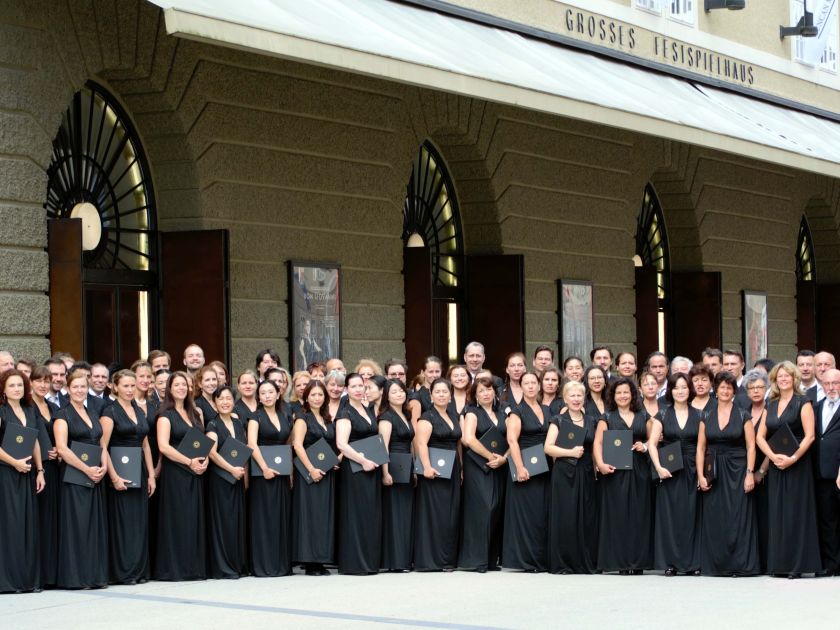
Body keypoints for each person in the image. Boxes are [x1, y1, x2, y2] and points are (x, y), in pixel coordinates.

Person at [756, 361, 821, 578]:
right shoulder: (770, 404)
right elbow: (759, 437)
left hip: (798, 465)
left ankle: (797, 566)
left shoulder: (803, 402)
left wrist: (792, 458)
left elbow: (810, 435)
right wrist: (774, 457)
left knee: (796, 513)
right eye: (780, 377)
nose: (784, 379)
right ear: (775, 380)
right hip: (776, 464)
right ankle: (780, 565)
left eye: (788, 376)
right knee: (778, 513)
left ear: (794, 379)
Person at [696, 371, 759, 577]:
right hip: (714, 469)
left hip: (738, 468)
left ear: (734, 391)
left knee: (738, 516)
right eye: (721, 387)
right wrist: (700, 475)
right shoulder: (706, 415)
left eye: (729, 387)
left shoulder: (743, 415)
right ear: (716, 389)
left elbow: (751, 446)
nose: (725, 390)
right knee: (716, 516)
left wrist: (750, 473)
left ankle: (740, 565)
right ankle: (718, 565)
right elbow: (700, 448)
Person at [100, 369, 156, 585]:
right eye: (125, 385)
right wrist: (113, 476)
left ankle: (139, 571)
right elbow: (102, 445)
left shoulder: (139, 410)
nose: (130, 389)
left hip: (139, 471)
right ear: (114, 387)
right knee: (122, 523)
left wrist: (151, 475)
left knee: (138, 522)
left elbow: (146, 445)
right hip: (119, 471)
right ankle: (123, 572)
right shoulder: (109, 411)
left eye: (133, 385)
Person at [54, 369, 108, 589]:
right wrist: (87, 469)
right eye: (75, 387)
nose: (79, 390)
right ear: (67, 389)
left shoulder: (92, 413)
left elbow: (101, 443)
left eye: (83, 387)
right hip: (75, 478)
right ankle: (77, 577)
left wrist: (103, 466)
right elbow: (62, 449)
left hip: (95, 476)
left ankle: (93, 575)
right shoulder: (62, 415)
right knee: (77, 526)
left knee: (93, 526)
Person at [593, 377, 652, 574]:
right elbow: (598, 443)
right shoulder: (607, 417)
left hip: (639, 469)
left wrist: (644, 446)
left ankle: (638, 562)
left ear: (633, 394)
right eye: (618, 392)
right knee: (617, 515)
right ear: (613, 395)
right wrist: (600, 464)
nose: (622, 396)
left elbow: (654, 440)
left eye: (626, 392)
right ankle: (619, 562)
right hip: (614, 471)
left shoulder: (644, 415)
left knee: (638, 515)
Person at [154, 371, 208, 581]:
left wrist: (203, 461)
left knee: (193, 519)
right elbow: (163, 446)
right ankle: (176, 568)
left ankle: (193, 567)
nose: (181, 388)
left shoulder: (195, 413)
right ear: (169, 388)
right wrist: (189, 462)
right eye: (177, 385)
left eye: (184, 385)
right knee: (177, 519)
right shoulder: (164, 415)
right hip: (176, 473)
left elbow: (201, 442)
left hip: (196, 472)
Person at [648, 373, 701, 576]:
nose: (680, 391)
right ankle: (671, 563)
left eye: (684, 387)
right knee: (670, 516)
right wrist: (659, 467)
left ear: (690, 390)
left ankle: (692, 563)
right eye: (676, 388)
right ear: (670, 390)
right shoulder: (662, 415)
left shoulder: (700, 414)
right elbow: (652, 444)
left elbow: (702, 447)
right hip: (669, 469)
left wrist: (701, 474)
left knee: (691, 514)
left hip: (692, 468)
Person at [544, 380, 598, 574]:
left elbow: (595, 447)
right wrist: (570, 452)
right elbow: (548, 448)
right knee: (566, 516)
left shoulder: (591, 420)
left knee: (585, 516)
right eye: (572, 396)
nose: (576, 399)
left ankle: (584, 562)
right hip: (564, 473)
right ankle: (564, 562)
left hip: (585, 472)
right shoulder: (558, 420)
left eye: (579, 396)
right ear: (565, 399)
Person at [0, 370, 45, 593]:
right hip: (6, 474)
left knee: (28, 525)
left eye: (20, 385)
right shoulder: (1, 410)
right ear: (4, 389)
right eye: (12, 385)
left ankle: (28, 580)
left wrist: (41, 470)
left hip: (27, 472)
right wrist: (14, 463)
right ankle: (10, 581)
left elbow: (35, 440)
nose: (17, 389)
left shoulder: (30, 408)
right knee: (11, 525)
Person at [459, 376, 508, 572]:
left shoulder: (503, 412)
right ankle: (476, 559)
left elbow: (513, 438)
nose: (486, 393)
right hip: (478, 466)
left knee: (496, 508)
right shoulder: (472, 412)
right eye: (481, 391)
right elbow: (468, 439)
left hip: (500, 465)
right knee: (483, 509)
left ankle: (490, 559)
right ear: (475, 395)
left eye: (489, 390)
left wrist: (503, 458)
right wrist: (490, 456)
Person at [335, 372, 382, 574]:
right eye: (353, 386)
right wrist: (363, 461)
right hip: (355, 468)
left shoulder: (367, 409)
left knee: (368, 514)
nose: (357, 389)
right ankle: (355, 563)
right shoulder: (345, 413)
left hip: (371, 467)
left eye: (360, 386)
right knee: (355, 513)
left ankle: (369, 561)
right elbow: (341, 445)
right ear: (346, 389)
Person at [414, 378, 462, 571]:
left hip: (453, 468)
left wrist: (462, 468)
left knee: (450, 515)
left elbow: (458, 443)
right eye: (438, 392)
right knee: (435, 514)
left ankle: (447, 558)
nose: (442, 395)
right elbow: (421, 443)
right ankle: (431, 560)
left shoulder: (453, 415)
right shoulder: (427, 417)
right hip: (433, 469)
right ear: (431, 395)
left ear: (450, 395)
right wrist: (426, 466)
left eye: (445, 392)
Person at [503, 372, 549, 572]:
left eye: (533, 383)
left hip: (545, 467)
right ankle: (526, 560)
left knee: (542, 513)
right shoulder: (517, 411)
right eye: (526, 383)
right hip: (525, 466)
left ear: (539, 386)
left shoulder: (546, 410)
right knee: (527, 514)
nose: (530, 386)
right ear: (520, 387)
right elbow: (512, 440)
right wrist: (520, 467)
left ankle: (541, 557)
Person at [247, 379, 293, 577]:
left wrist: (289, 472)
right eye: (263, 393)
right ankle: (264, 565)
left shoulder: (285, 415)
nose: (267, 395)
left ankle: (280, 564)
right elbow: (251, 444)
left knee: (280, 518)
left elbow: (288, 443)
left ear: (277, 394)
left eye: (270, 392)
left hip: (281, 474)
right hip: (262, 474)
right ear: (259, 396)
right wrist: (264, 467)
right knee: (264, 518)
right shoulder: (255, 417)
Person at [292, 380, 338, 575]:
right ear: (306, 397)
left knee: (322, 517)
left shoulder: (328, 419)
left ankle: (321, 559)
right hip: (309, 474)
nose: (317, 398)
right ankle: (310, 562)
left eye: (320, 395)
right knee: (310, 516)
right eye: (313, 395)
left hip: (326, 473)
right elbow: (297, 445)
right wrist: (311, 469)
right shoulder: (303, 418)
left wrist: (334, 461)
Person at [205, 386, 248, 579]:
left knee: (236, 522)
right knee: (223, 522)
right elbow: (211, 452)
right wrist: (231, 469)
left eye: (229, 398)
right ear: (214, 403)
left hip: (237, 478)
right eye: (220, 399)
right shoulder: (212, 425)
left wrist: (243, 475)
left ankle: (237, 564)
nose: (225, 402)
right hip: (220, 479)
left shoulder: (238, 423)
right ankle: (224, 567)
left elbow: (244, 450)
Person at [378, 379, 415, 572]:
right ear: (386, 395)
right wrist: (385, 472)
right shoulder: (386, 417)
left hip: (406, 466)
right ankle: (394, 561)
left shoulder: (405, 414)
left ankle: (404, 558)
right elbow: (382, 445)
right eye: (394, 392)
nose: (399, 394)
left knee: (405, 513)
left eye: (401, 391)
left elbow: (410, 444)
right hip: (392, 466)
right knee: (394, 514)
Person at [29, 365, 60, 587]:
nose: (43, 384)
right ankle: (40, 573)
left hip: (55, 467)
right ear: (31, 382)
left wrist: (59, 449)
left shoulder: (51, 405)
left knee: (52, 519)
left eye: (46, 381)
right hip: (36, 468)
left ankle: (51, 573)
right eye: (38, 380)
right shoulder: (28, 407)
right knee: (40, 519)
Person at [813, 368, 840, 576]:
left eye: (836, 383)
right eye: (827, 383)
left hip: (839, 472)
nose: (831, 387)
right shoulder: (816, 407)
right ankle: (832, 564)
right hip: (821, 474)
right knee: (827, 520)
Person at [407, 356, 442, 426]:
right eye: (431, 372)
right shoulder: (416, 397)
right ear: (422, 373)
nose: (434, 375)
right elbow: (415, 428)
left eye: (437, 371)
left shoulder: (444, 394)